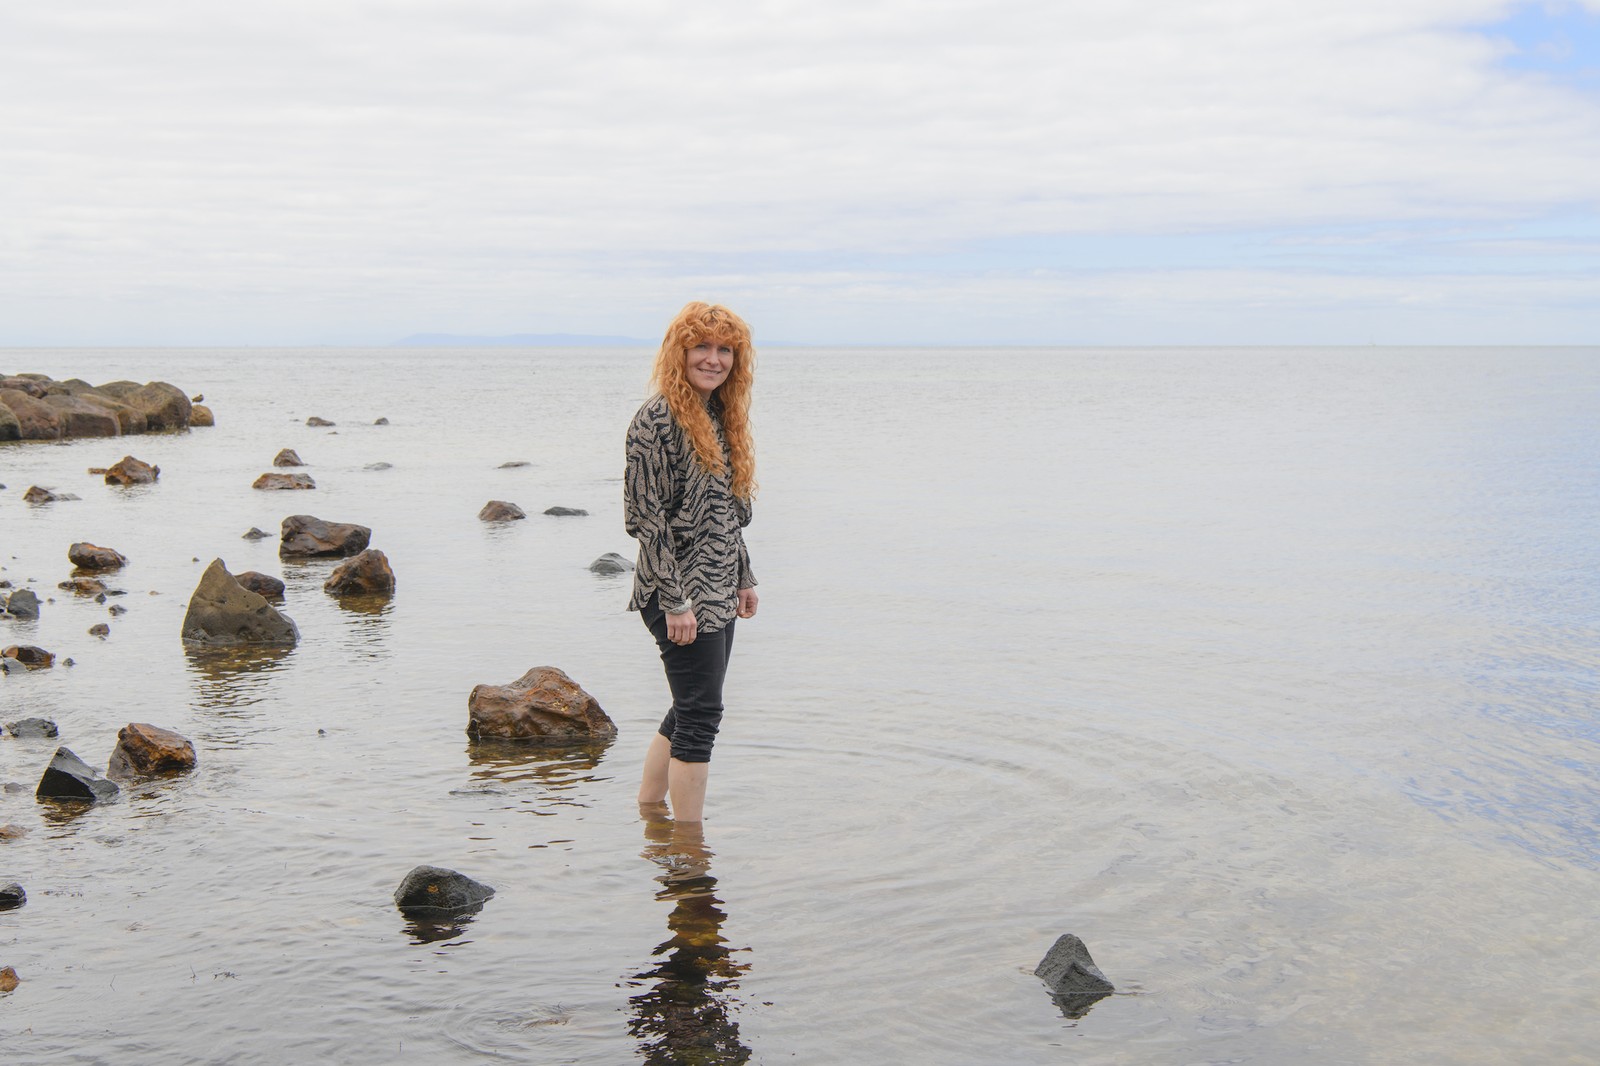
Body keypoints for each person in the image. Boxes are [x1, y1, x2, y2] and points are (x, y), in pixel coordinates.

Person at [626, 301, 759, 823]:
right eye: (701, 346)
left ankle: (649, 810)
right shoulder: (655, 421)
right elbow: (647, 520)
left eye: (725, 349)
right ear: (677, 353)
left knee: (691, 705)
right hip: (676, 593)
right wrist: (676, 602)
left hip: (719, 588)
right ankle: (689, 845)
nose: (713, 359)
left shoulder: (720, 416)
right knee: (701, 714)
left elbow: (724, 514)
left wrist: (743, 577)